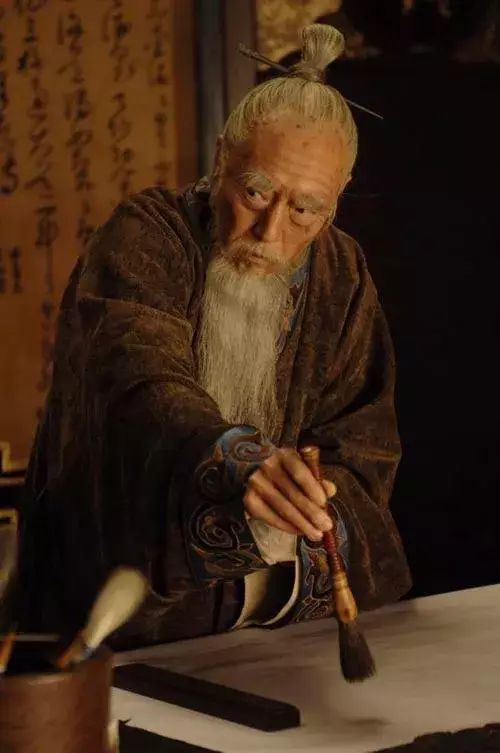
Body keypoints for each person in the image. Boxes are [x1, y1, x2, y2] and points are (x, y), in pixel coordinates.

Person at [19, 24, 411, 648]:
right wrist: (240, 466)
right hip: (121, 627)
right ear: (221, 159)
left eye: (306, 208)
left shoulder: (342, 273)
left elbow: (364, 448)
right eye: (255, 191)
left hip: (278, 628)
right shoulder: (146, 234)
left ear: (335, 204)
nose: (270, 231)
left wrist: (305, 499)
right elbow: (141, 382)